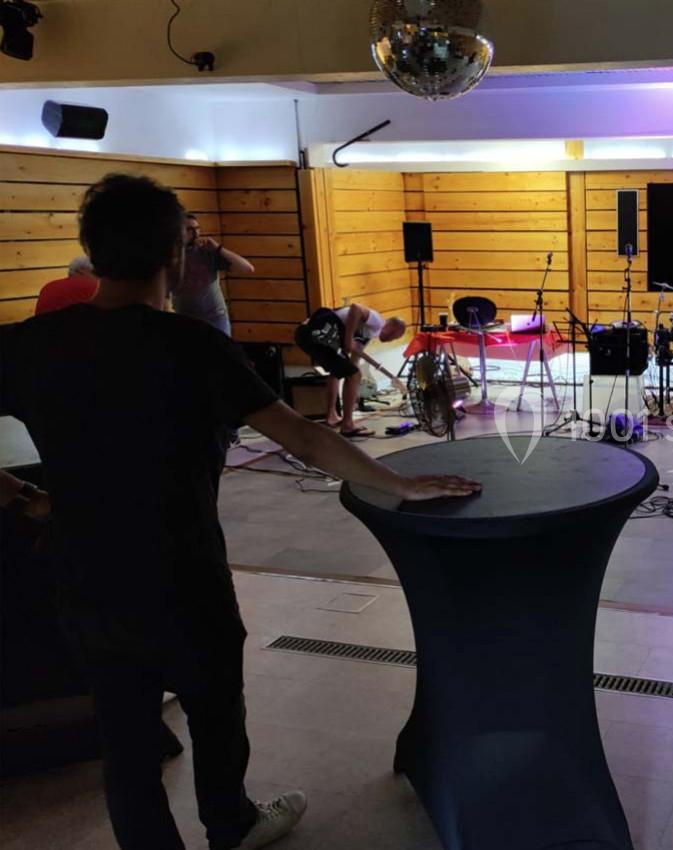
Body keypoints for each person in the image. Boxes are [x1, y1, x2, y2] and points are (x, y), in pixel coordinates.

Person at [0, 174, 481, 850]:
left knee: (127, 746)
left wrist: (23, 497)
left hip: (87, 583)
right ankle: (233, 825)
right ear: (175, 257)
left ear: (91, 250)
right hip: (184, 574)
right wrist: (400, 486)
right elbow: (308, 438)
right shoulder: (194, 348)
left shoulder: (27, 346)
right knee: (217, 712)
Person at [294, 303, 407, 438]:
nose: (390, 341)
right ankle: (347, 425)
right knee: (353, 375)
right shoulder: (378, 322)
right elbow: (356, 308)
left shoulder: (367, 334)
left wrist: (354, 392)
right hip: (318, 332)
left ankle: (331, 416)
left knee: (339, 372)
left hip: (307, 335)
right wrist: (348, 340)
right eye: (394, 337)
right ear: (392, 328)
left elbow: (352, 365)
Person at [171, 212, 255, 336]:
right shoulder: (172, 258)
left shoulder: (206, 253)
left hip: (216, 320)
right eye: (189, 229)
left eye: (197, 229)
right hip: (187, 321)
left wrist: (218, 249)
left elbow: (247, 268)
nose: (195, 233)